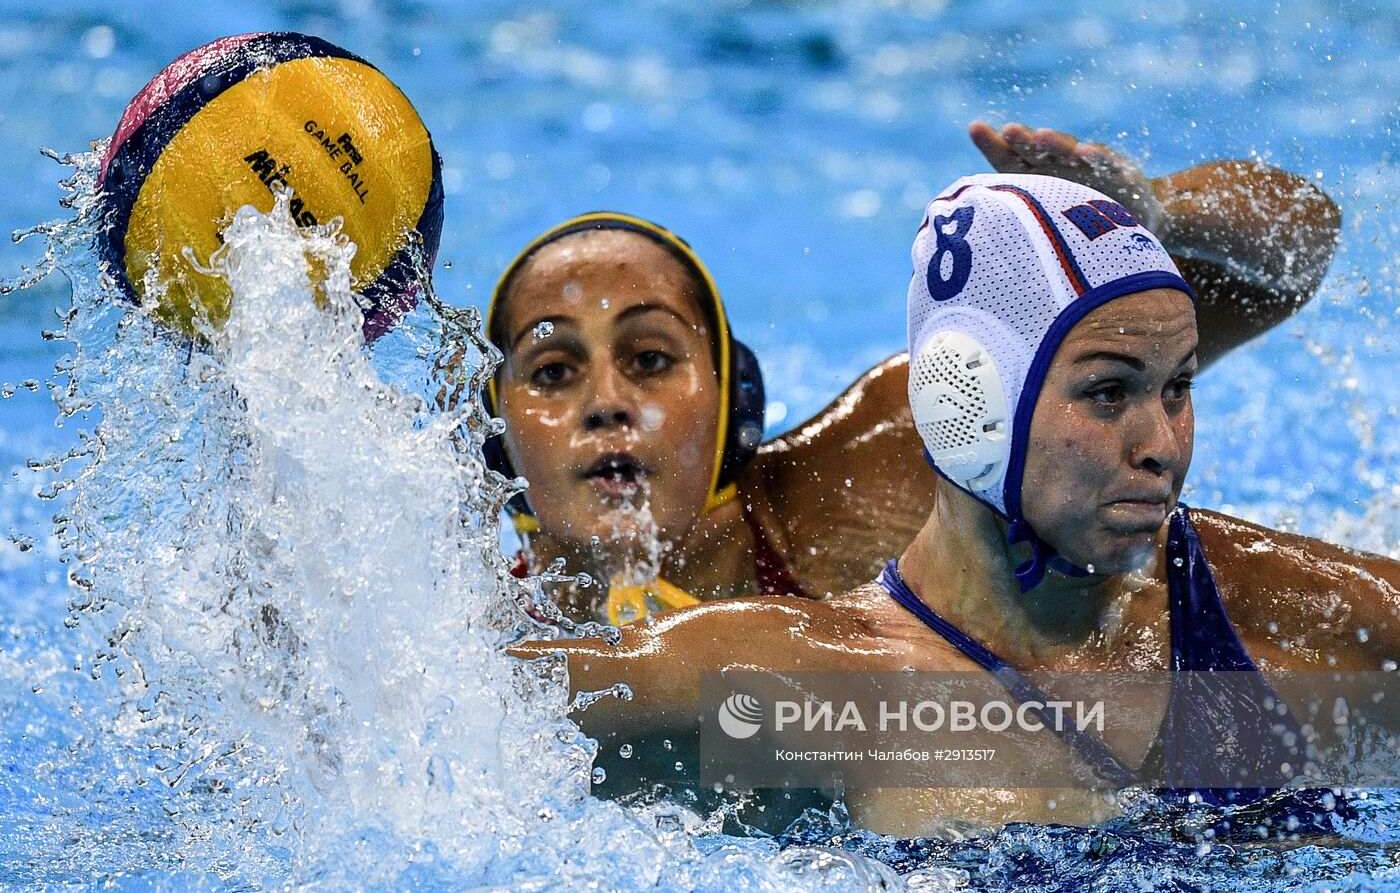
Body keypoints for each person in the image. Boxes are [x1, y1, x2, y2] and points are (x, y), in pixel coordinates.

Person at [511, 172, 1400, 834]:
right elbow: (469, 713)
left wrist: (1157, 212)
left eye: (1178, 388)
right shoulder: (804, 680)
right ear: (966, 405)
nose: (1163, 445)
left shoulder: (1258, 607)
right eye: (1107, 393)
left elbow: (1293, 245)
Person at [484, 122, 1341, 622]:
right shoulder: (464, 632)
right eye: (552, 371)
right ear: (497, 428)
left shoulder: (899, 451)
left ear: (735, 398)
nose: (606, 403)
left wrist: (1156, 213)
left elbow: (1295, 249)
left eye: (649, 359)